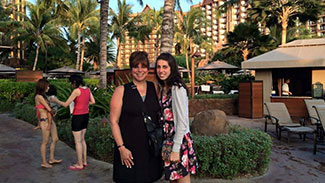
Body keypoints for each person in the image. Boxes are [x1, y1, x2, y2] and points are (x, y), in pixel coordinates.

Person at [110, 51, 163, 183]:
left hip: (150, 149)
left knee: (150, 178)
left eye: (143, 66)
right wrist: (121, 148)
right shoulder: (121, 90)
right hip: (129, 150)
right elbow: (114, 121)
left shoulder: (155, 88)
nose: (140, 70)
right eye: (136, 66)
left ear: (148, 69)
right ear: (131, 69)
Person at [155, 53, 197, 183]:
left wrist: (176, 148)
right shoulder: (164, 88)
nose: (161, 70)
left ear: (171, 68)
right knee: (173, 180)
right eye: (158, 67)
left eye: (165, 67)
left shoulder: (177, 88)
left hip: (179, 141)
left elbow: (183, 121)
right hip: (168, 140)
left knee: (182, 180)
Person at [51, 75, 95, 170]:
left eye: (71, 82)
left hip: (77, 117)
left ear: (74, 82)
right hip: (85, 116)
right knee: (82, 140)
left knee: (77, 141)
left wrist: (56, 100)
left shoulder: (76, 91)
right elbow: (93, 102)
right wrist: (84, 104)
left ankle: (79, 164)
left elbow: (66, 104)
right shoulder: (87, 89)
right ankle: (84, 161)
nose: (71, 84)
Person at [34, 79, 62, 168]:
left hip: (49, 120)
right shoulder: (39, 97)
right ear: (43, 86)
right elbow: (49, 109)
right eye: (47, 86)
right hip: (45, 121)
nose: (48, 88)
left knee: (55, 138)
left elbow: (49, 109)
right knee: (45, 142)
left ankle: (51, 159)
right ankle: (44, 162)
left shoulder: (44, 96)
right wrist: (54, 110)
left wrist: (52, 111)